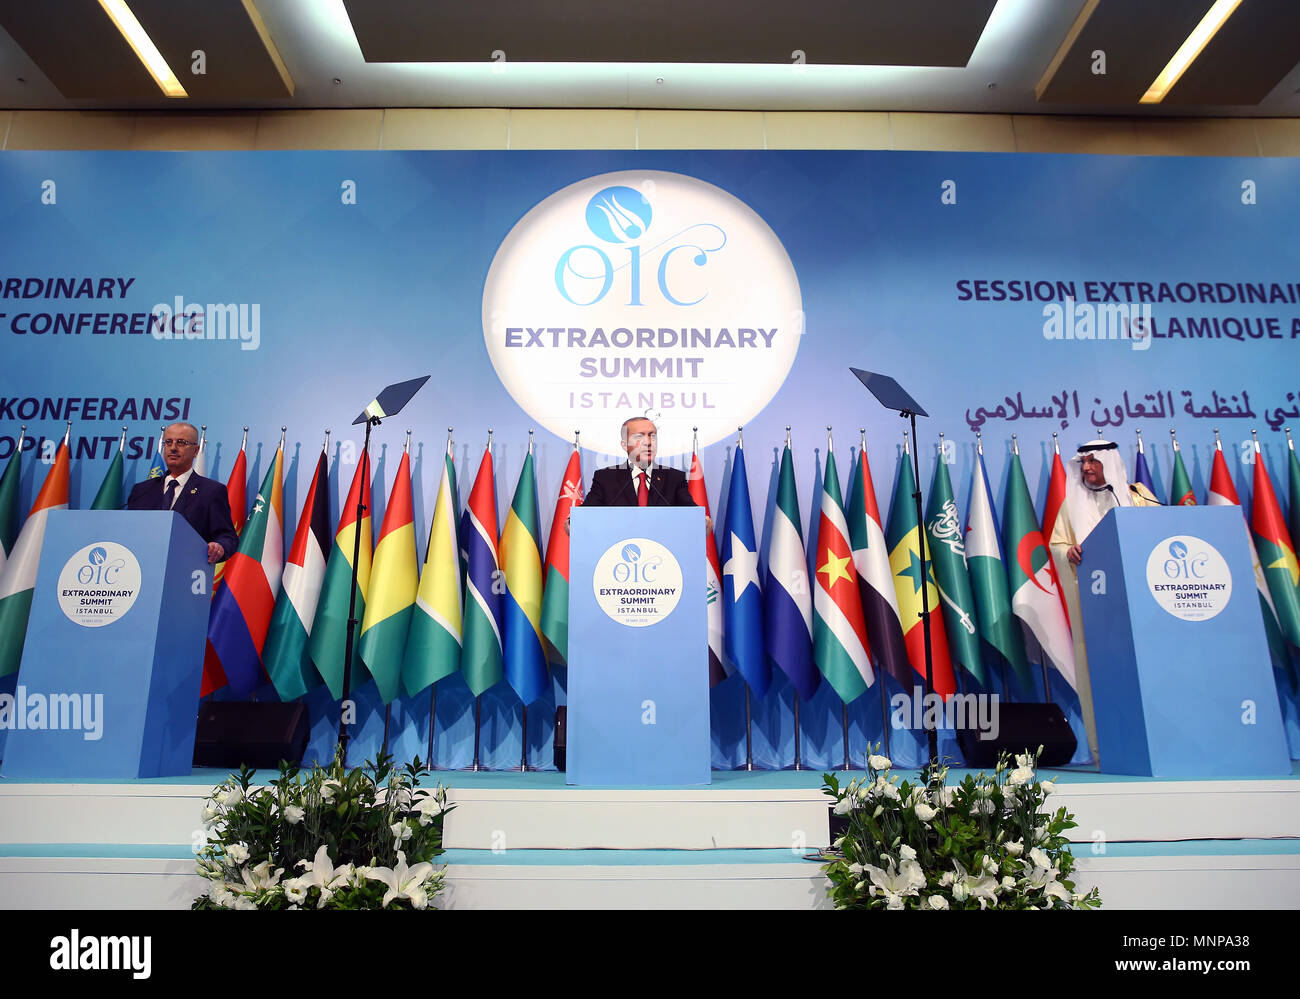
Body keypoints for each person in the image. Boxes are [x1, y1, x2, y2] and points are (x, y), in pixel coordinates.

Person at [1049, 439, 1158, 761]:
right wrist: (1067, 551)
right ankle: (1105, 749)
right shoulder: (1071, 505)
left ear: (1109, 463)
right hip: (1096, 608)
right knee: (1101, 675)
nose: (1086, 468)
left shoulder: (1137, 497)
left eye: (1094, 462)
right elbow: (1057, 544)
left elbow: (1159, 533)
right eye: (1082, 463)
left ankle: (1154, 741)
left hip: (1140, 605)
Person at [127, 421, 238, 565]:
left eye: (181, 442)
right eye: (168, 442)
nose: (173, 448)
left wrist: (220, 547)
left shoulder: (211, 491)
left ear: (196, 450)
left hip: (186, 571)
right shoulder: (142, 490)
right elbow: (129, 531)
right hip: (140, 568)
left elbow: (227, 536)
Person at [584, 416, 697, 508]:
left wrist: (703, 521)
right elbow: (585, 514)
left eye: (652, 436)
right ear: (625, 445)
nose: (648, 442)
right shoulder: (605, 478)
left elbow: (692, 514)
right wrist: (572, 521)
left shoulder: (674, 478)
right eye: (639, 436)